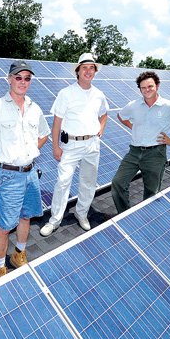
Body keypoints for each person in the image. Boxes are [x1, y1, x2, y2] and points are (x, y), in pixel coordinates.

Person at [0, 60, 50, 280]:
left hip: (31, 173)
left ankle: (19, 255)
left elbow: (43, 133)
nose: (23, 82)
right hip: (9, 175)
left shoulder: (35, 109)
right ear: (9, 79)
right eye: (18, 77)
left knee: (26, 217)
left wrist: (29, 152)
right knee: (6, 226)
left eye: (27, 78)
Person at [40, 53, 108, 237]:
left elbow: (104, 114)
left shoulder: (99, 95)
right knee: (63, 182)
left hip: (92, 144)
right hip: (71, 144)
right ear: (77, 71)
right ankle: (54, 220)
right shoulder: (66, 93)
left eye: (91, 68)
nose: (88, 71)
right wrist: (55, 146)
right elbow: (57, 122)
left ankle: (81, 213)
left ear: (95, 72)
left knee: (88, 182)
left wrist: (101, 128)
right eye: (84, 67)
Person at [111, 70, 170, 212]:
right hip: (134, 152)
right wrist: (132, 127)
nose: (147, 90)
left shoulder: (169, 106)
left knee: (151, 193)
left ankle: (146, 218)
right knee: (117, 183)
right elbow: (121, 116)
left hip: (155, 154)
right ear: (139, 89)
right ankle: (124, 216)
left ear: (157, 85)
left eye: (150, 86)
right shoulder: (134, 105)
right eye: (143, 87)